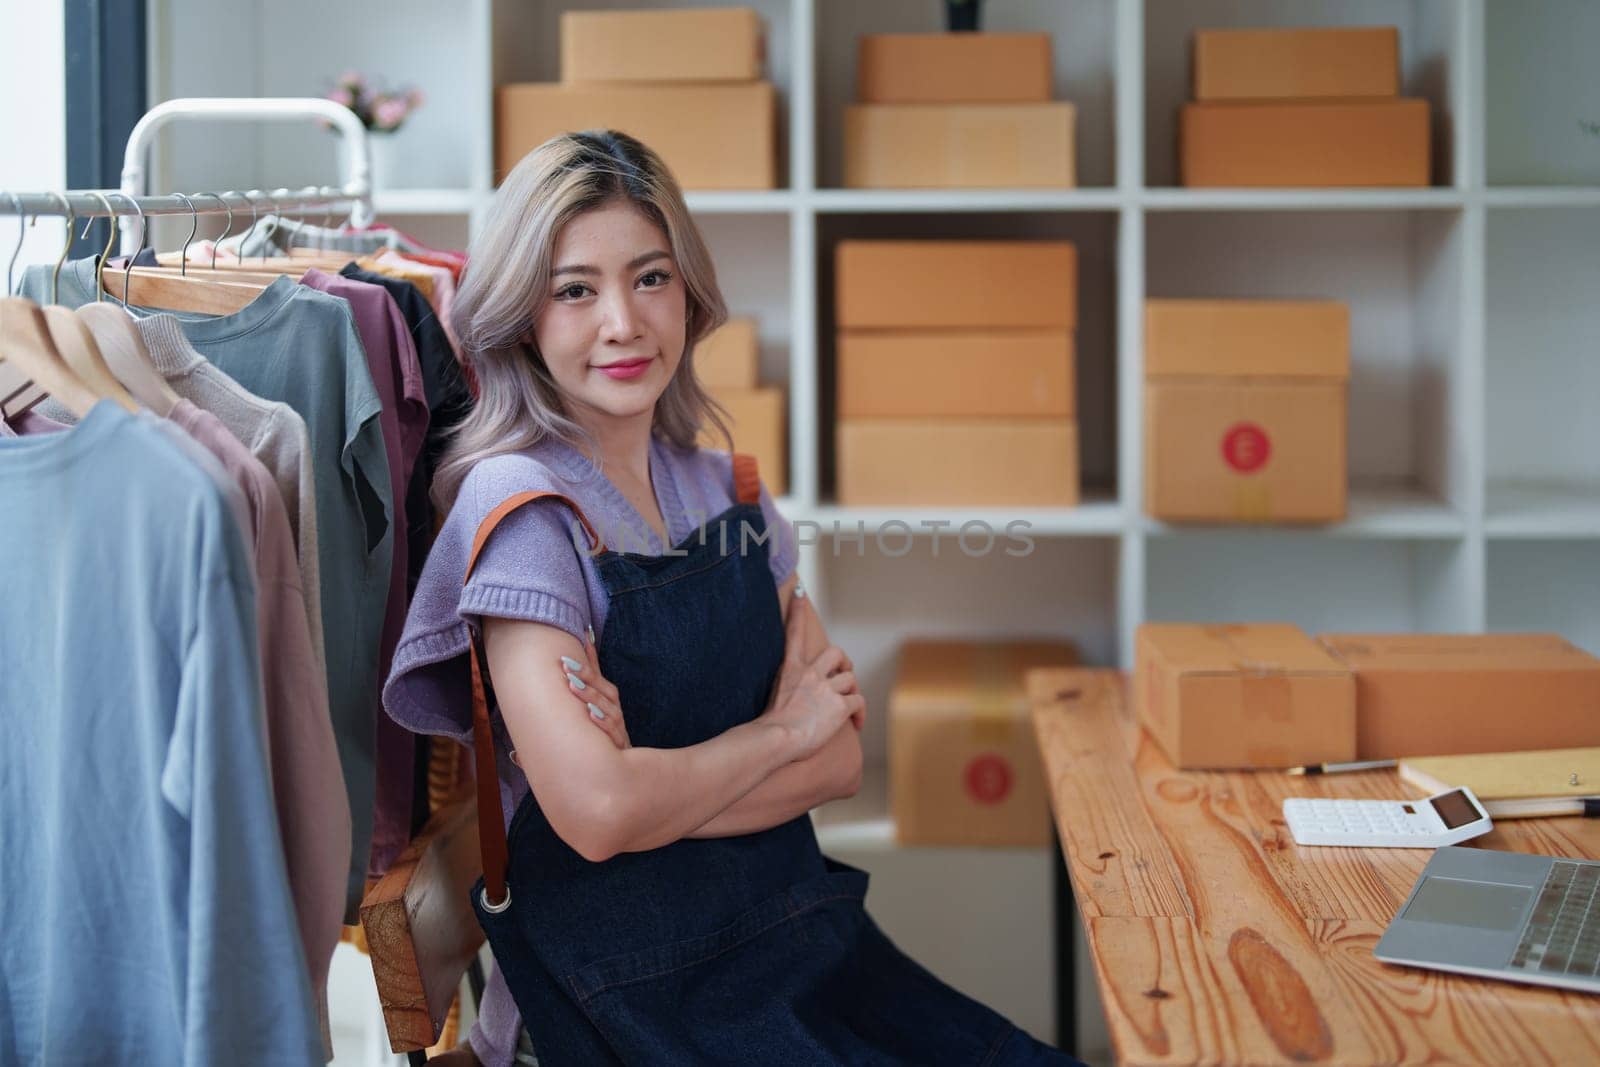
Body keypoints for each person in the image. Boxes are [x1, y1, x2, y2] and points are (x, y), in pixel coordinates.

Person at [385, 129, 1080, 1066]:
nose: (624, 323)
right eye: (575, 288)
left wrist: (654, 795)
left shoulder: (733, 490)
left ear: (690, 291)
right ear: (523, 315)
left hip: (795, 946)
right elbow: (598, 813)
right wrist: (777, 736)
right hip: (616, 999)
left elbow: (838, 760)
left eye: (651, 278)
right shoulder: (522, 515)